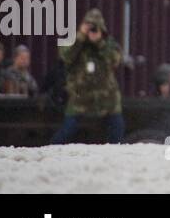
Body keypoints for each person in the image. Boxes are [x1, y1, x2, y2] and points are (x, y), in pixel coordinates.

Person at [51, 9, 125, 144]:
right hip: (80, 98)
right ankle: (51, 153)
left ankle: (115, 156)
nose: (92, 31)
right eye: (89, 27)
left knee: (117, 129)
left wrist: (99, 43)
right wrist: (80, 36)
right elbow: (65, 57)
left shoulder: (108, 43)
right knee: (67, 131)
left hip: (107, 99)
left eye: (95, 28)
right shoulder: (74, 41)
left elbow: (115, 60)